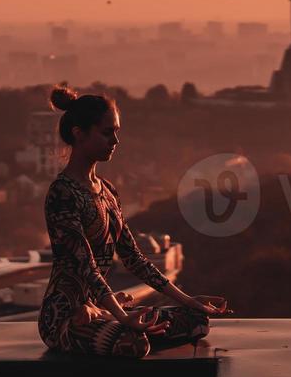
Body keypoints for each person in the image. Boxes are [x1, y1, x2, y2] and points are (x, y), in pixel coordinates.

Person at [38, 85, 229, 357]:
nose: (115, 141)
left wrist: (188, 301)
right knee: (133, 343)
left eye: (116, 132)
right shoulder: (63, 193)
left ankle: (113, 320)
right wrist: (122, 317)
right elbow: (85, 266)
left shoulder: (107, 191)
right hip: (66, 318)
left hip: (105, 309)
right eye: (107, 132)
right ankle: (113, 323)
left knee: (196, 321)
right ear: (79, 134)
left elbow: (134, 258)